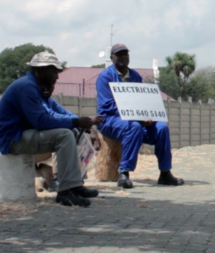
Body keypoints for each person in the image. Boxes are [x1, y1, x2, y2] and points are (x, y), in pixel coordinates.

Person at [0, 52, 98, 207]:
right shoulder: (27, 87)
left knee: (70, 131)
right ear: (41, 71)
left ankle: (74, 185)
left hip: (23, 135)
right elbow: (40, 121)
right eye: (54, 72)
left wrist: (79, 122)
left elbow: (57, 113)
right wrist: (75, 121)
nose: (57, 77)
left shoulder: (36, 87)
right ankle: (65, 192)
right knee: (65, 135)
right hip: (13, 139)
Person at [96, 43, 184, 189]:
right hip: (110, 120)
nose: (123, 56)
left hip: (135, 120)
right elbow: (108, 106)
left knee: (162, 128)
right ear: (112, 57)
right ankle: (124, 173)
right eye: (119, 54)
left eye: (125, 54)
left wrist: (147, 114)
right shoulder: (105, 77)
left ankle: (165, 173)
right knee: (134, 127)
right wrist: (137, 118)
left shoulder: (135, 76)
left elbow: (143, 101)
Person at [35, 84, 103, 191]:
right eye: (43, 84)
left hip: (39, 143)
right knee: (63, 135)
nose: (47, 87)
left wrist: (89, 127)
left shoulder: (49, 101)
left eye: (50, 84)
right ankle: (57, 179)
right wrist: (81, 121)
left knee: (77, 132)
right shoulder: (34, 99)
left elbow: (66, 113)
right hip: (27, 145)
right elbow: (52, 116)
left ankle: (77, 178)